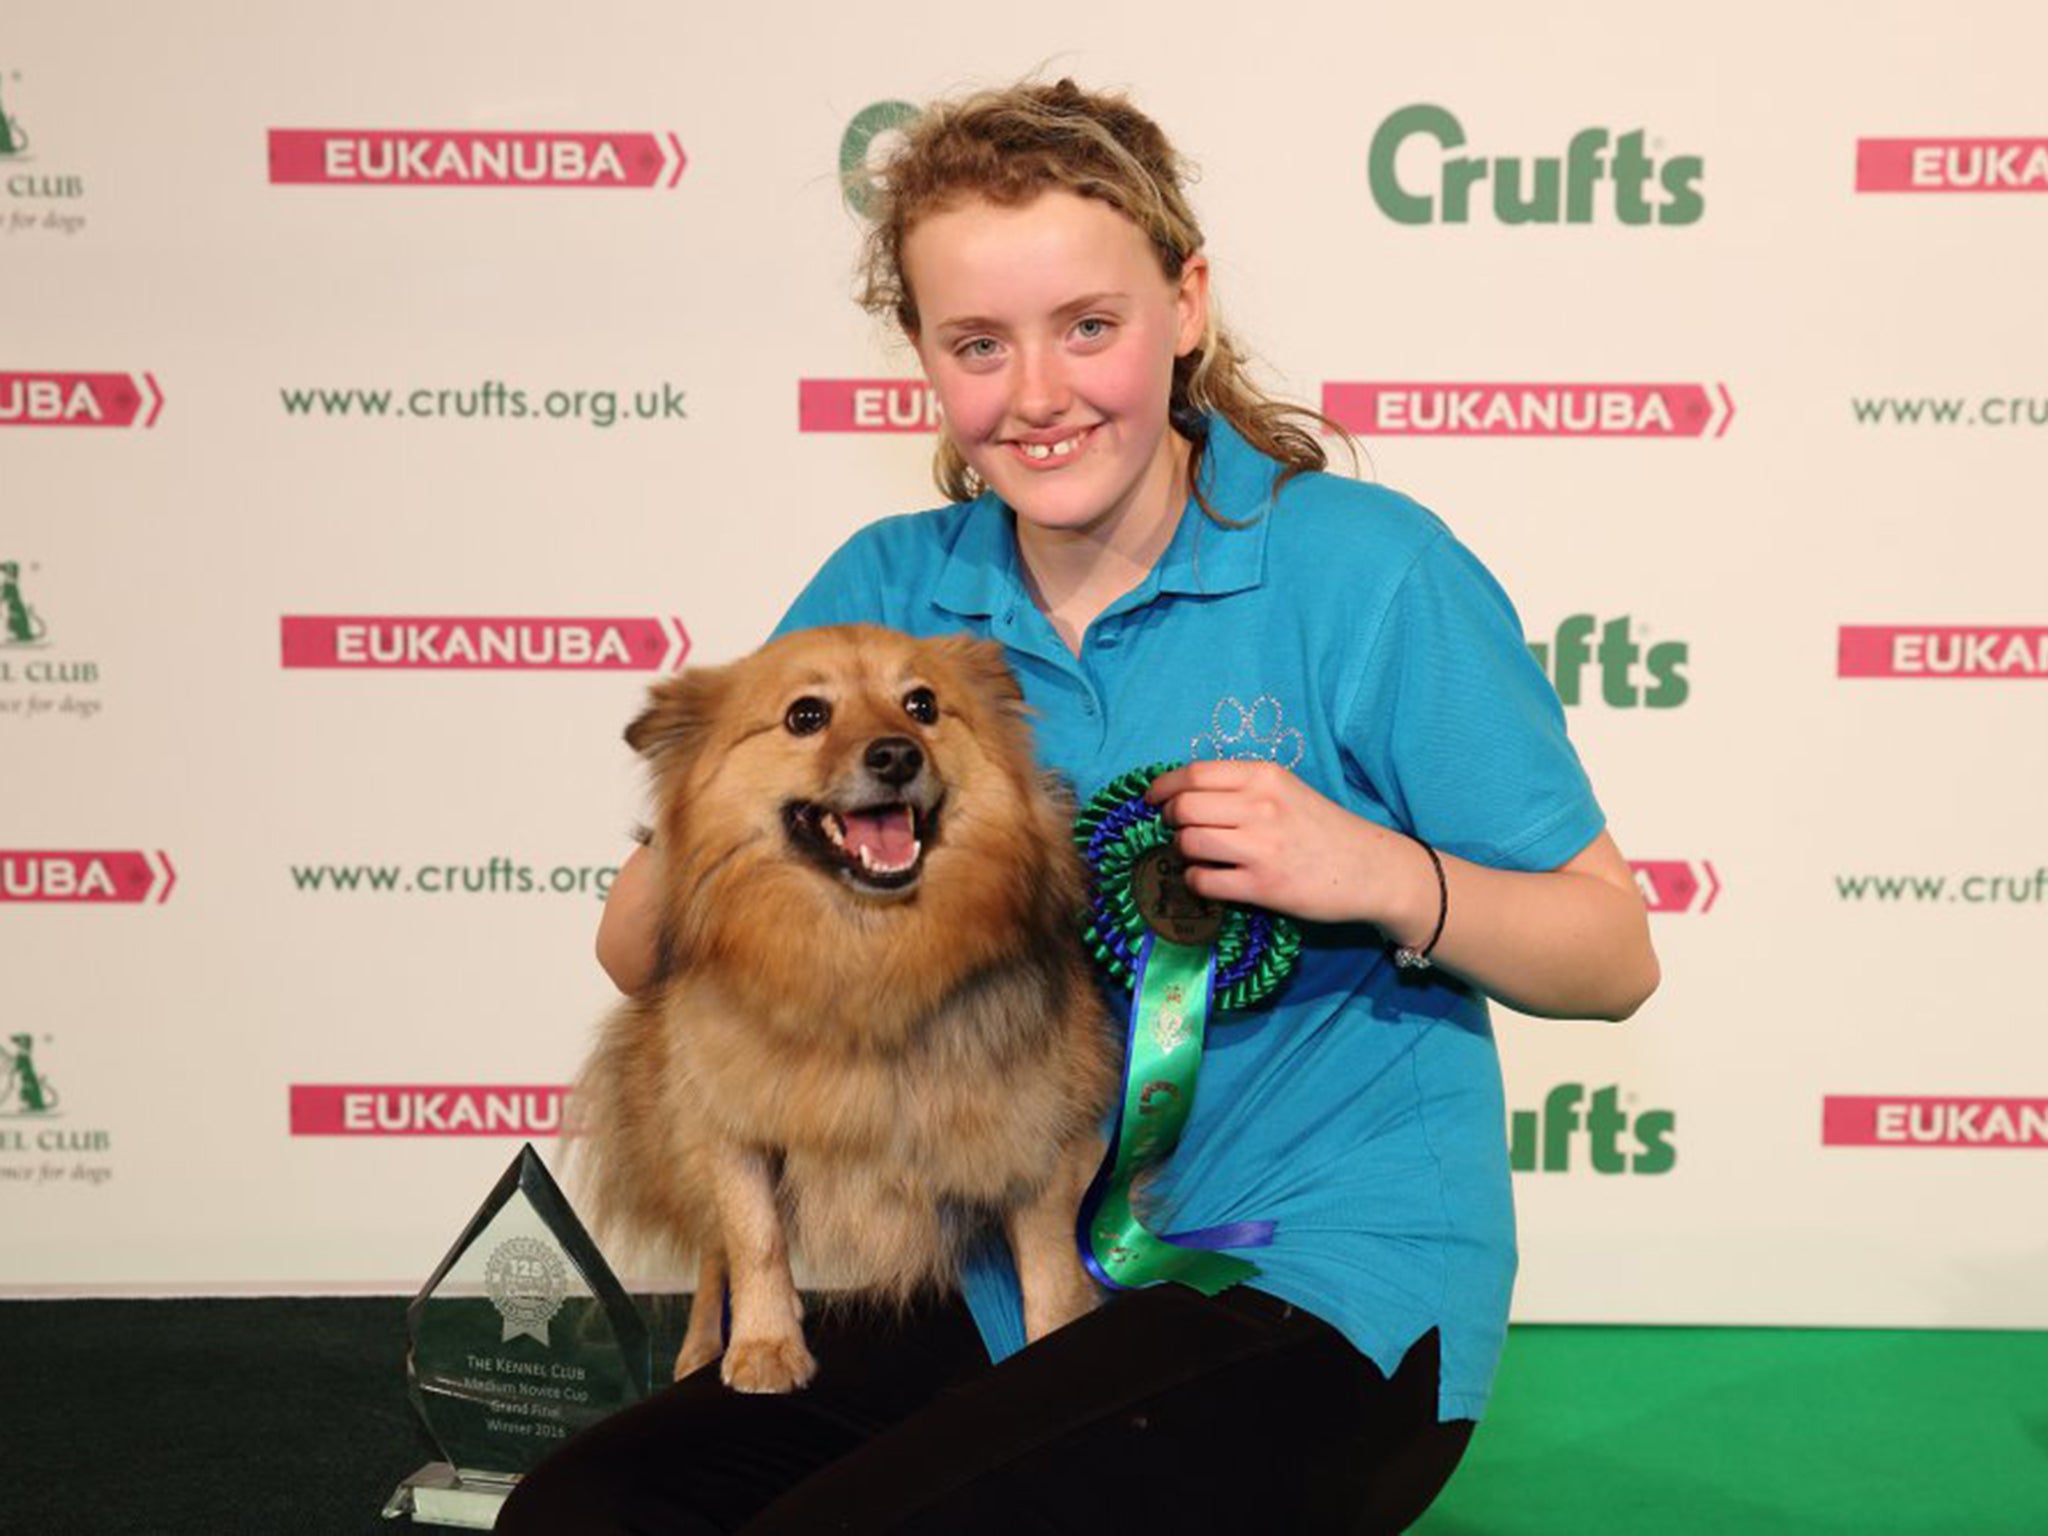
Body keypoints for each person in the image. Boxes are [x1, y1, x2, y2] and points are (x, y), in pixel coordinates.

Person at [502, 78, 1658, 1535]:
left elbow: (1613, 956)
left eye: (1088, 327)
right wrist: (743, 786)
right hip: (1009, 1278)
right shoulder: (891, 592)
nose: (1036, 396)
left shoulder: (1371, 571)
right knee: (582, 1516)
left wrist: (1378, 870)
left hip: (1316, 1285)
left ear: (1188, 303)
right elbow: (635, 952)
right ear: (921, 355)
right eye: (978, 344)